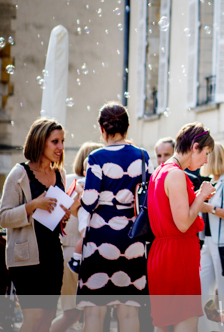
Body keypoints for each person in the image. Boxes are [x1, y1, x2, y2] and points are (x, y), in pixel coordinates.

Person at [77, 103, 149, 332]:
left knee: (95, 311)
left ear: (101, 128)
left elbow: (89, 201)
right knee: (129, 312)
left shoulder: (96, 157)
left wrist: (80, 193)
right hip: (133, 238)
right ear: (127, 127)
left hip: (101, 237)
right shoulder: (142, 155)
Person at [0, 118, 71, 332]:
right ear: (40, 142)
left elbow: (51, 218)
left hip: (52, 256)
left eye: (62, 141)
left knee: (46, 320)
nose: (60, 147)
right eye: (55, 141)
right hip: (26, 259)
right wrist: (32, 205)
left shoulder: (60, 174)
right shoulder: (19, 174)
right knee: (34, 319)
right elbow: (3, 216)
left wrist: (63, 216)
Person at [147, 123, 216, 332]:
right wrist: (202, 194)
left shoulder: (160, 171)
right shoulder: (176, 174)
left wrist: (203, 202)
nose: (206, 160)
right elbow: (183, 222)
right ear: (195, 147)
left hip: (162, 255)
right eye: (206, 153)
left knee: (165, 325)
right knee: (185, 321)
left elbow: (172, 212)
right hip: (177, 257)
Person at [51, 141, 101, 332]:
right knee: (86, 313)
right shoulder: (90, 185)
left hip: (65, 251)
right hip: (80, 253)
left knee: (72, 313)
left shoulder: (65, 180)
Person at [199, 144, 224, 332]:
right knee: (203, 288)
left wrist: (208, 208)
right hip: (209, 243)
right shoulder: (212, 183)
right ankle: (208, 328)